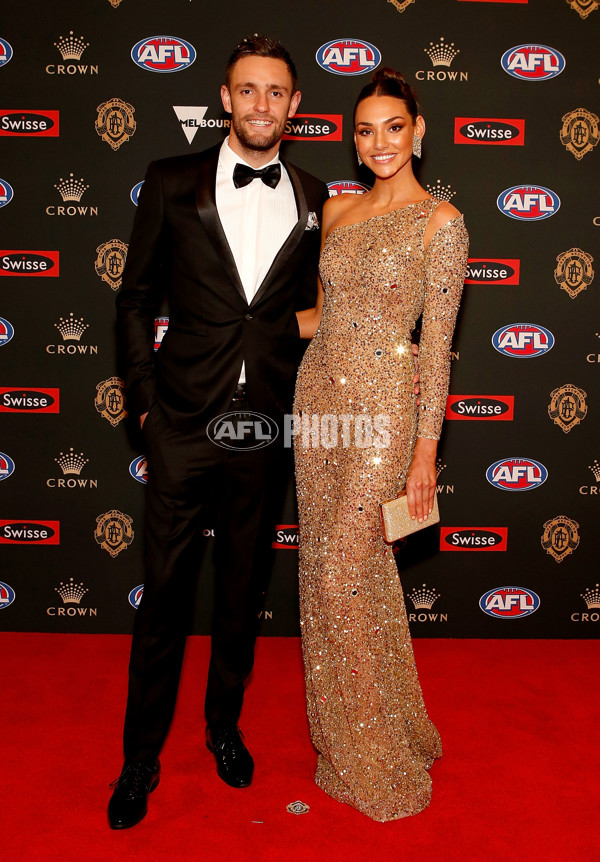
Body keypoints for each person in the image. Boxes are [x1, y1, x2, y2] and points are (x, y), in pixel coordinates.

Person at [108, 35, 329, 830]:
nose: (262, 104)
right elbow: (134, 299)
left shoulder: (313, 197)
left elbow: (307, 313)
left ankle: (223, 730)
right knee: (163, 598)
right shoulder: (171, 182)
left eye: (277, 91)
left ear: (295, 107)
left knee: (240, 595)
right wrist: (142, 401)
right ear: (226, 98)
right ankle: (139, 759)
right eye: (249, 90)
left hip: (263, 430)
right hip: (181, 424)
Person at [294, 68, 468, 821]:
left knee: (341, 572)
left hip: (386, 410)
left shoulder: (442, 223)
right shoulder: (336, 213)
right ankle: (375, 725)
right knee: (341, 573)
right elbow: (319, 320)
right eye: (365, 131)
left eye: (393, 127)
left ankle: (372, 755)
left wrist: (424, 452)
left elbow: (436, 350)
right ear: (353, 140)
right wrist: (222, 325)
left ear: (418, 129)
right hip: (318, 402)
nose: (380, 144)